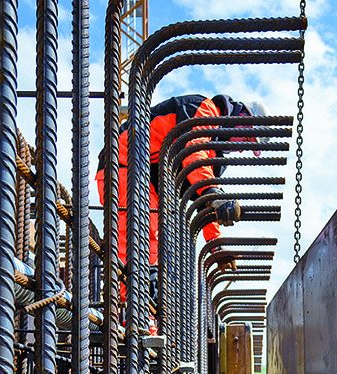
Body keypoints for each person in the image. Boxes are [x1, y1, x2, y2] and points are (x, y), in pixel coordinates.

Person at [96, 94, 267, 271]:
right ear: (241, 119)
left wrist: (215, 245)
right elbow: (193, 150)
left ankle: (142, 291)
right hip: (123, 163)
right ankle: (127, 297)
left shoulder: (214, 156)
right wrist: (211, 191)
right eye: (246, 140)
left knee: (151, 243)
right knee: (135, 238)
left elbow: (205, 203)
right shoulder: (205, 109)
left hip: (147, 180)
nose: (240, 149)